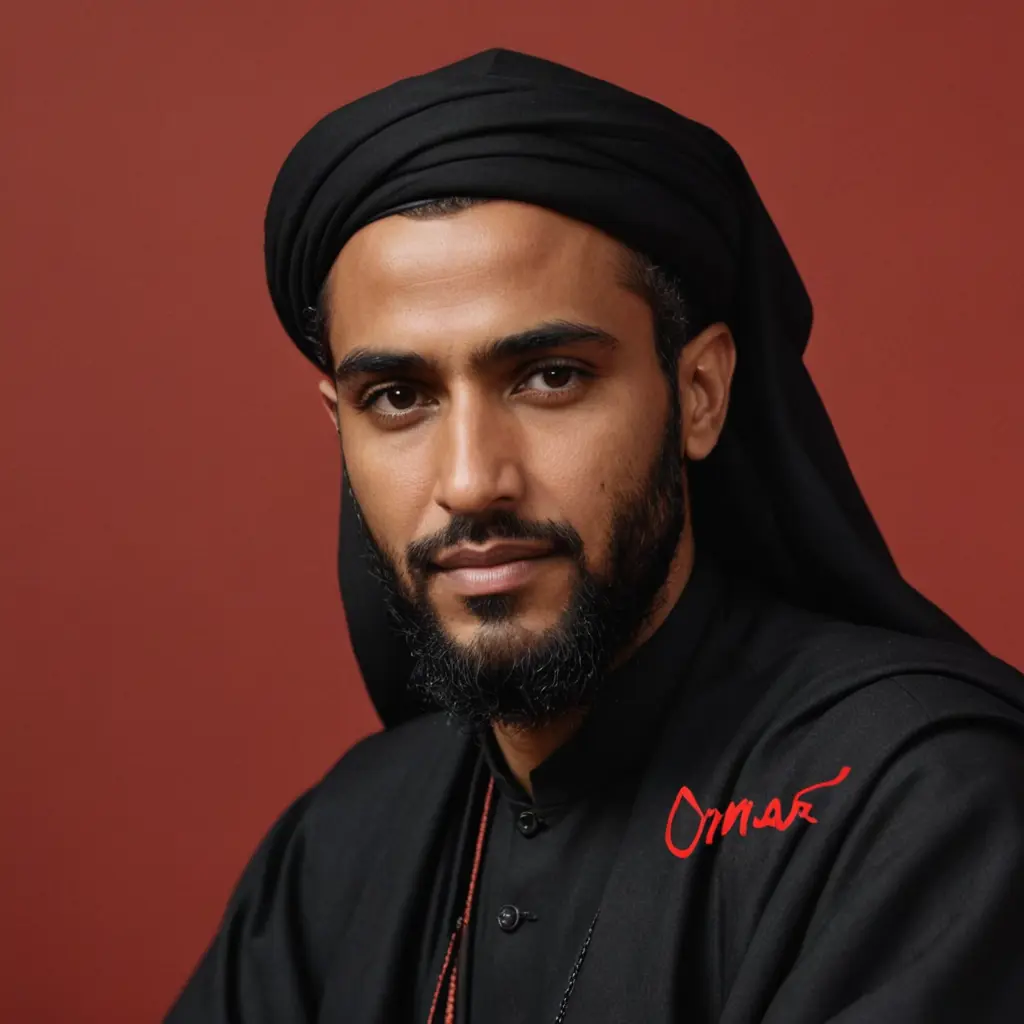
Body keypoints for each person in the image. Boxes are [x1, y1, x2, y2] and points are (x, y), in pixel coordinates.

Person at [166, 49, 1024, 1023]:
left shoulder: (921, 806)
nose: (469, 480)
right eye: (399, 397)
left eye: (550, 377)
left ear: (698, 393)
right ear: (339, 424)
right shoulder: (337, 851)